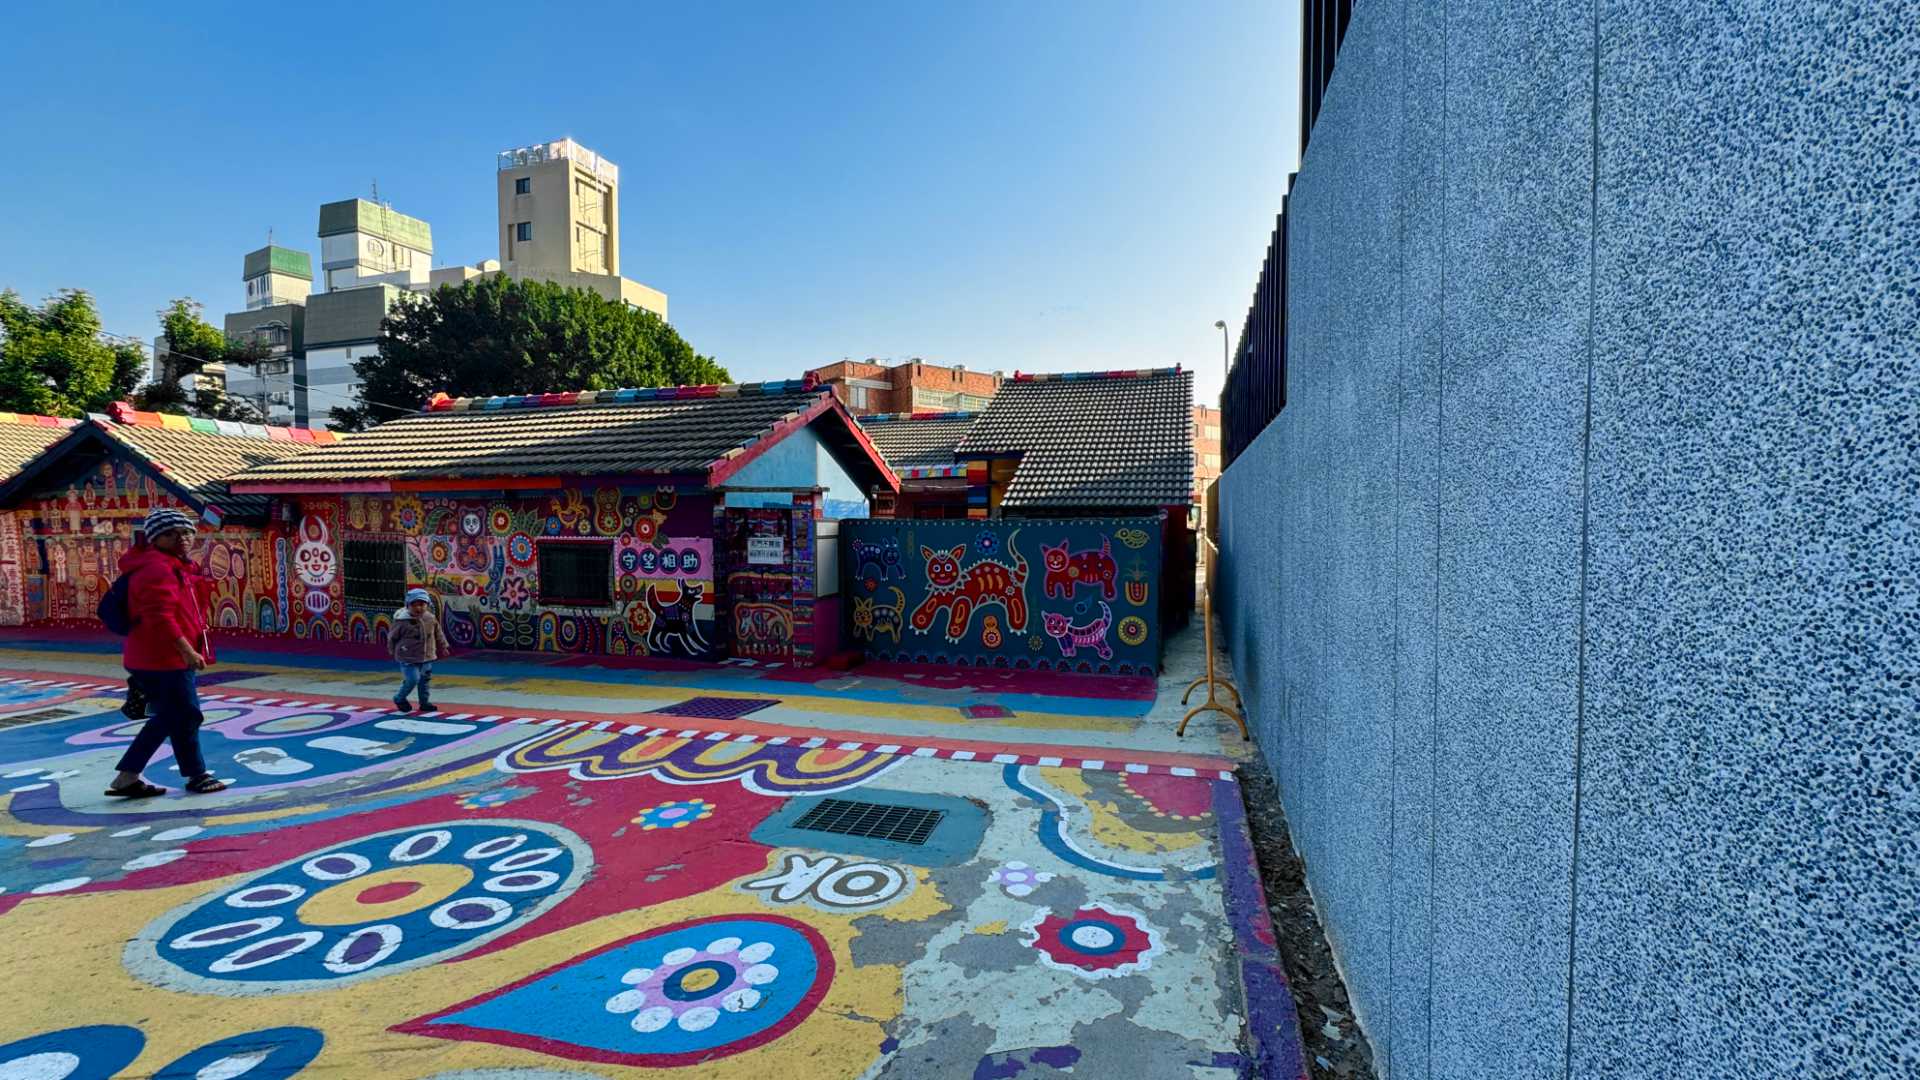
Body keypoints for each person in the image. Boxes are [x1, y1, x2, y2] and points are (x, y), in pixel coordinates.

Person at [105, 507, 227, 797]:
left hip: (157, 657)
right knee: (183, 714)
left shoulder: (173, 565)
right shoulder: (156, 568)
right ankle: (194, 775)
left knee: (175, 715)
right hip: (162, 658)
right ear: (155, 538)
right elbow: (159, 616)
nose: (182, 538)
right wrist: (186, 650)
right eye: (171, 534)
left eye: (186, 532)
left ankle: (129, 776)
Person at [389, 587, 451, 713]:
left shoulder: (430, 618)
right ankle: (399, 698)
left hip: (427, 656)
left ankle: (424, 703)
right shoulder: (402, 621)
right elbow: (392, 637)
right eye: (414, 605)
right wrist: (392, 650)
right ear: (408, 606)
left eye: (422, 604)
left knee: (424, 681)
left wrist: (443, 646)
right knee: (413, 679)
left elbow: (438, 633)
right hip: (408, 656)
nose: (418, 608)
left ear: (427, 604)